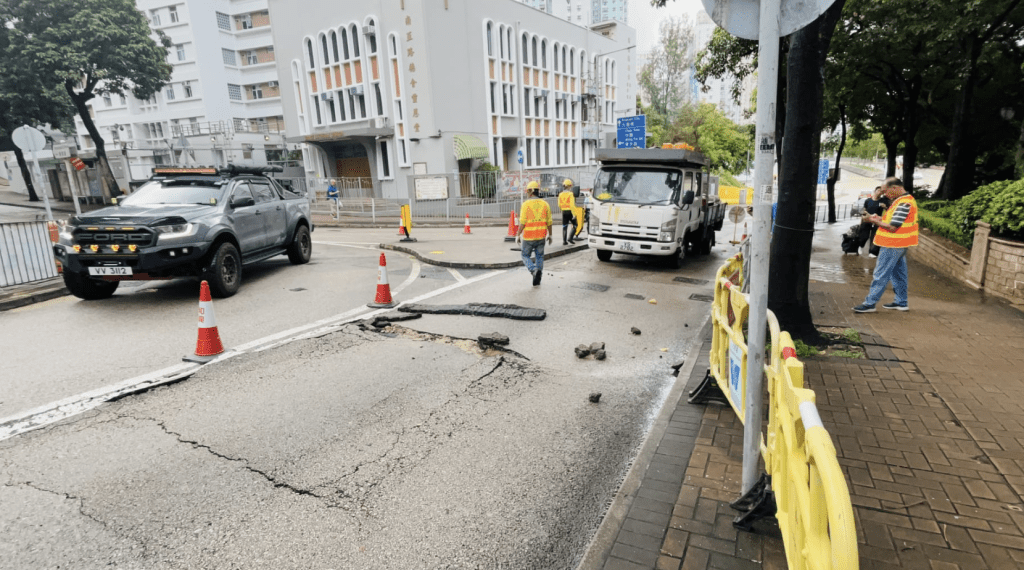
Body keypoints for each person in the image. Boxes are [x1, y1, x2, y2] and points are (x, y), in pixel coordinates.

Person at [853, 177, 918, 313]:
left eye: (885, 191)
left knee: (880, 274)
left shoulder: (903, 203)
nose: (884, 194)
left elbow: (893, 227)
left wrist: (872, 220)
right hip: (900, 244)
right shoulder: (903, 201)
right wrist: (878, 218)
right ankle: (901, 302)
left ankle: (870, 303)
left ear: (894, 188)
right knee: (899, 274)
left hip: (892, 244)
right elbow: (893, 221)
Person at [516, 181, 553, 286]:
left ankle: (533, 270)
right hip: (541, 235)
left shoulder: (526, 204)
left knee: (524, 255)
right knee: (539, 256)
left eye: (527, 191)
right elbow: (549, 221)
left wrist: (518, 235)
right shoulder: (545, 204)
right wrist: (550, 235)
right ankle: (538, 275)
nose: (527, 193)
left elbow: (522, 222)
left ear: (530, 191)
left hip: (528, 236)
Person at [858, 186, 890, 257]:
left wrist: (884, 207)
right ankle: (860, 246)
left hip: (877, 221)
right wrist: (861, 220)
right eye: (878, 191)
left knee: (874, 236)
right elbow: (864, 211)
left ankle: (872, 252)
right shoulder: (868, 200)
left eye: (881, 192)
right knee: (864, 235)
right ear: (875, 191)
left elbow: (888, 210)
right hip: (867, 220)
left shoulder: (883, 201)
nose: (879, 193)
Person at [557, 178, 577, 245]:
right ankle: (570, 238)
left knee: (564, 226)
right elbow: (572, 205)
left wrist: (562, 210)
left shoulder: (560, 194)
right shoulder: (571, 194)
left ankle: (564, 241)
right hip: (570, 212)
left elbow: (559, 204)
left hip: (564, 212)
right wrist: (574, 214)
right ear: (569, 186)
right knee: (575, 225)